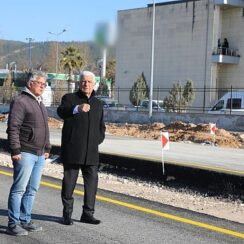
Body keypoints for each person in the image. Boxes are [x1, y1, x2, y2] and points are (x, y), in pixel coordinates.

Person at [57, 70, 106, 225]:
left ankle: (88, 214)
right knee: (69, 184)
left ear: (94, 84)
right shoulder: (69, 98)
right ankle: (67, 214)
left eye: (89, 82)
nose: (86, 84)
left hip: (91, 152)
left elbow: (101, 127)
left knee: (91, 185)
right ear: (79, 83)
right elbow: (61, 112)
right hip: (73, 150)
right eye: (84, 81)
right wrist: (77, 109)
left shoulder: (98, 104)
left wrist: (97, 140)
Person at [6, 71, 51, 236]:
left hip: (39, 154)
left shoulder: (39, 103)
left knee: (32, 189)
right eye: (40, 83)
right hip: (25, 153)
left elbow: (44, 128)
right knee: (19, 189)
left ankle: (25, 220)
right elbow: (13, 127)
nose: (43, 87)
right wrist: (15, 149)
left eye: (44, 84)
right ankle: (13, 223)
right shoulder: (21, 101)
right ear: (30, 83)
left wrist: (47, 148)